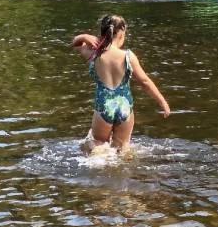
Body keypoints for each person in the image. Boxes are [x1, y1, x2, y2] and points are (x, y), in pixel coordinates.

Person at [71, 14, 170, 154]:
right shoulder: (128, 56)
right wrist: (162, 102)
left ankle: (97, 169)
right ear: (122, 32)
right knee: (123, 148)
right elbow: (145, 82)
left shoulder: (93, 53)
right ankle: (126, 173)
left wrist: (83, 36)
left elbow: (75, 45)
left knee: (98, 145)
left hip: (103, 106)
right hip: (124, 106)